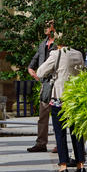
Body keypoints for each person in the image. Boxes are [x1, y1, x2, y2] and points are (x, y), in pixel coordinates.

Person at [36, 38, 86, 172]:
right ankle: (80, 165)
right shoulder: (78, 54)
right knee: (77, 132)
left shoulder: (56, 54)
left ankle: (63, 166)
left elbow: (40, 72)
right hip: (75, 97)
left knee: (60, 133)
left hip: (59, 97)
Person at [26, 20, 56, 153]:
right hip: (45, 83)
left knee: (57, 114)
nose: (46, 28)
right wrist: (31, 69)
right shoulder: (43, 43)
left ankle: (58, 144)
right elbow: (35, 58)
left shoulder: (59, 45)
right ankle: (41, 143)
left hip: (56, 81)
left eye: (48, 25)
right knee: (43, 115)